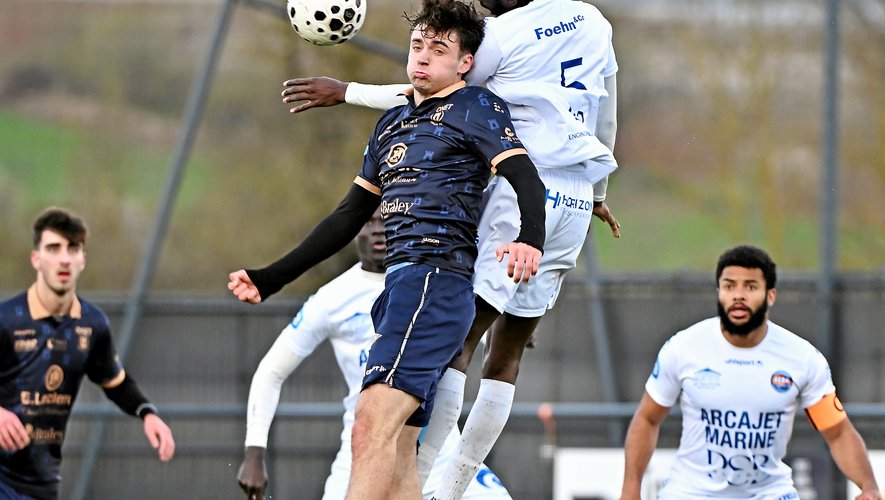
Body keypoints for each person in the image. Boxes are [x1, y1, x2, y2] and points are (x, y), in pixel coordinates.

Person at [279, 0, 621, 497]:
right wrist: (598, 194)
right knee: (506, 358)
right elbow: (605, 113)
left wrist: (347, 91)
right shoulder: (593, 20)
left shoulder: (502, 34)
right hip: (575, 195)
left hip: (523, 186)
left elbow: (436, 91)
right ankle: (452, 484)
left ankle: (435, 484)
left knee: (458, 341)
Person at [227, 0, 546, 497]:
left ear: (465, 63)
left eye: (438, 49)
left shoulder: (475, 107)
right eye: (417, 45)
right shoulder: (391, 124)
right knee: (399, 453)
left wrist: (531, 239)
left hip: (434, 282)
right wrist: (272, 277)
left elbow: (526, 176)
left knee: (369, 426)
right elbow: (347, 217)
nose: (423, 56)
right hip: (401, 287)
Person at [236, 210, 512, 500]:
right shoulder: (332, 298)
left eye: (387, 219)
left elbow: (477, 334)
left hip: (438, 454)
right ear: (354, 228)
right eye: (368, 222)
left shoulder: (439, 282)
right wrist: (254, 451)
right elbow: (271, 372)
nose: (378, 229)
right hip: (362, 456)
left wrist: (507, 326)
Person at [620, 245, 882, 500]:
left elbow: (837, 432)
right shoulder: (683, 348)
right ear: (719, 292)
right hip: (691, 492)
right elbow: (647, 419)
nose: (738, 295)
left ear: (771, 296)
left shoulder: (802, 358)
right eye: (729, 286)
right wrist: (630, 491)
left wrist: (869, 487)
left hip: (770, 493)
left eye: (751, 286)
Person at [0, 207, 175, 499]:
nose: (64, 258)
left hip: (41, 483)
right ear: (36, 259)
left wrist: (148, 414)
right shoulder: (7, 320)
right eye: (53, 248)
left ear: (83, 259)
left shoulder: (92, 324)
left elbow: (116, 383)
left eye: (73, 248)